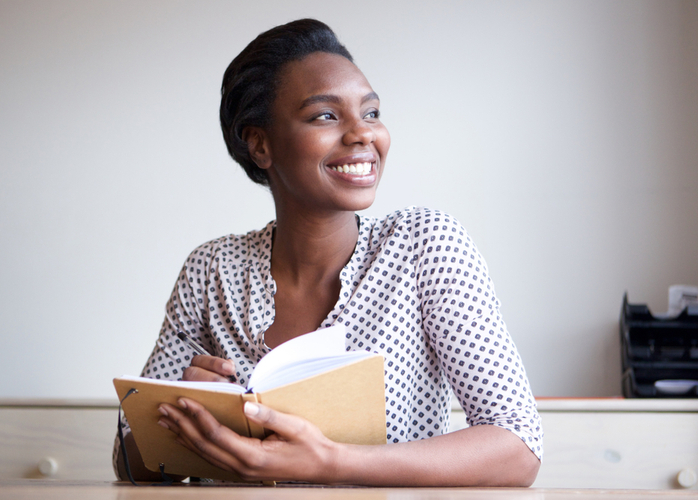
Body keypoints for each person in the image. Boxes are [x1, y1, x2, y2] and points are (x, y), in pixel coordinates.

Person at [114, 18, 542, 486]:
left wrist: (329, 461)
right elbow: (130, 461)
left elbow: (517, 446)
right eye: (325, 115)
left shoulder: (424, 246)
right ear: (260, 144)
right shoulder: (211, 270)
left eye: (372, 112)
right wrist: (178, 416)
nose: (364, 134)